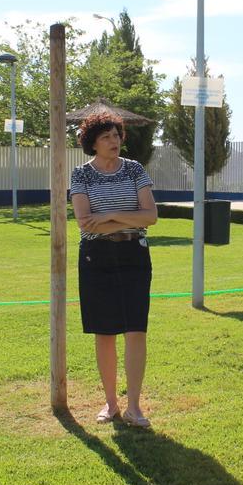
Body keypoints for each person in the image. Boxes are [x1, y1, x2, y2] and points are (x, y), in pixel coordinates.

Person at [69, 112, 159, 427]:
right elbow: (84, 220)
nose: (114, 141)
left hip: (134, 254)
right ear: (92, 142)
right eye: (106, 136)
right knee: (104, 332)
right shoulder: (81, 175)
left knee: (136, 330)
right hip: (96, 257)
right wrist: (126, 216)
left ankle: (134, 406)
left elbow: (150, 217)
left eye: (116, 135)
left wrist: (109, 217)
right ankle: (111, 404)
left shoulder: (134, 169)